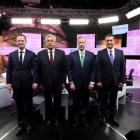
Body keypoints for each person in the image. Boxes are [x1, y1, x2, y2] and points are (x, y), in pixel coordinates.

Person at [6, 35, 38, 136]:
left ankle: (28, 124)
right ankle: (20, 125)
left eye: (22, 40)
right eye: (18, 41)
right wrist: (8, 82)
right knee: (19, 106)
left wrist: (35, 81)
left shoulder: (32, 54)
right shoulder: (11, 55)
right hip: (16, 85)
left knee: (28, 105)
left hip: (28, 85)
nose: (20, 42)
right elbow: (9, 70)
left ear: (25, 41)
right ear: (16, 42)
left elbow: (35, 70)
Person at [96, 34, 126, 127]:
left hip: (115, 82)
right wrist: (98, 81)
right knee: (103, 101)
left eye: (111, 40)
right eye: (107, 40)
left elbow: (123, 68)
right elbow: (98, 69)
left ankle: (112, 118)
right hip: (104, 83)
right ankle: (103, 118)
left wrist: (122, 81)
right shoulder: (100, 53)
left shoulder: (120, 52)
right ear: (105, 42)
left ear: (114, 41)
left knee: (113, 102)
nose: (109, 42)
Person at [37, 34, 66, 127]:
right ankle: (49, 119)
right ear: (45, 42)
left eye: (51, 41)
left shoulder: (61, 53)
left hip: (58, 84)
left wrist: (63, 82)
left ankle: (57, 119)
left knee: (58, 103)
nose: (50, 42)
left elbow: (64, 70)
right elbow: (38, 70)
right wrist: (40, 83)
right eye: (48, 41)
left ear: (55, 42)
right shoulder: (40, 54)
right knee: (48, 103)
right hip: (46, 84)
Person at [67, 37, 96, 127]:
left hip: (87, 85)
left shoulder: (91, 55)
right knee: (75, 103)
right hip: (75, 84)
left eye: (83, 42)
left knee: (85, 103)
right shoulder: (72, 55)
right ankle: (76, 120)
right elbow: (68, 70)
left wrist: (92, 82)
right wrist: (71, 82)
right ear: (77, 44)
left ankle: (83, 119)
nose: (81, 44)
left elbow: (94, 70)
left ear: (85, 43)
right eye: (80, 42)